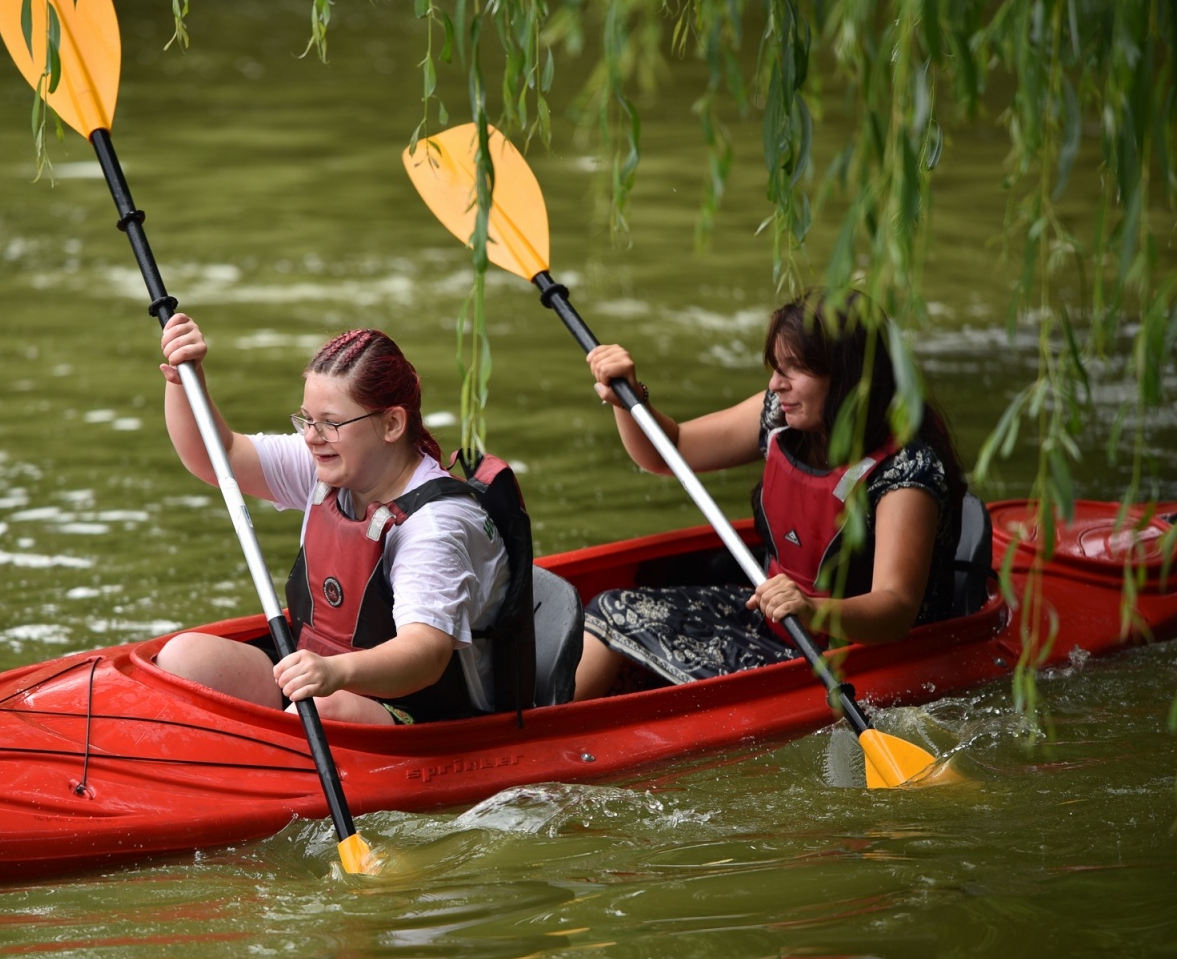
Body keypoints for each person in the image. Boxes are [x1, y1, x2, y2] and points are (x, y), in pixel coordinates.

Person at [574, 289, 967, 701]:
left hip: (848, 655)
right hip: (774, 623)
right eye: (776, 368)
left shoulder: (906, 469)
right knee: (610, 609)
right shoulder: (780, 416)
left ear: (849, 379)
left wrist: (812, 608)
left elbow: (895, 610)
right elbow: (668, 450)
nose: (776, 384)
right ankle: (550, 723)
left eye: (794, 370)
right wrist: (629, 399)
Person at [154, 313, 510, 725]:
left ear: (392, 423)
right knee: (185, 654)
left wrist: (333, 673)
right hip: (320, 676)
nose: (311, 436)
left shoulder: (434, 525)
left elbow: (424, 655)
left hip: (421, 713)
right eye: (306, 419)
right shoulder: (333, 465)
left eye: (330, 423)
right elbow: (220, 459)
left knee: (326, 709)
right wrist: (184, 382)